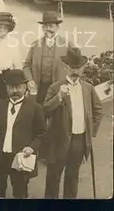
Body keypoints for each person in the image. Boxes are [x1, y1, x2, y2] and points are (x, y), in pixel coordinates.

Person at [43, 47, 103, 199]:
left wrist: (91, 132)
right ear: (66, 67)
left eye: (78, 68)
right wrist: (59, 97)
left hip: (79, 140)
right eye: (72, 67)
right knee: (53, 178)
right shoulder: (55, 87)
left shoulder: (88, 88)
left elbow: (98, 110)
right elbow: (45, 110)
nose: (75, 71)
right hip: (58, 140)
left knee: (72, 178)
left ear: (82, 68)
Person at [0, 69, 46, 198]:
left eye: (18, 87)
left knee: (20, 192)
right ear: (6, 88)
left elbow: (42, 133)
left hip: (20, 156)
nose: (15, 91)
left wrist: (32, 147)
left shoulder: (34, 108)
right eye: (11, 87)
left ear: (25, 87)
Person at [23, 11, 73, 106]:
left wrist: (69, 81)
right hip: (39, 88)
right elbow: (26, 66)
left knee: (57, 114)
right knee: (39, 112)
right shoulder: (35, 45)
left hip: (58, 88)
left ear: (57, 27)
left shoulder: (68, 45)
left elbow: (77, 66)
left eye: (51, 26)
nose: (48, 29)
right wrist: (29, 80)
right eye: (45, 26)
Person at [0, 12, 22, 100]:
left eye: (5, 28)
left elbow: (18, 65)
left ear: (9, 29)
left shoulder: (13, 43)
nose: (2, 30)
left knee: (4, 101)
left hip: (6, 78)